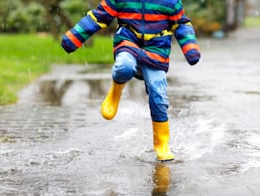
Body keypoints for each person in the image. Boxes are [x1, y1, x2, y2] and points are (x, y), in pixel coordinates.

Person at [61, 0, 201, 161]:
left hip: (156, 50)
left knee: (159, 95)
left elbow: (181, 23)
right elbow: (98, 17)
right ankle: (115, 92)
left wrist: (190, 47)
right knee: (124, 67)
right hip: (128, 42)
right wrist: (74, 37)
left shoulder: (170, 2)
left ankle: (161, 144)